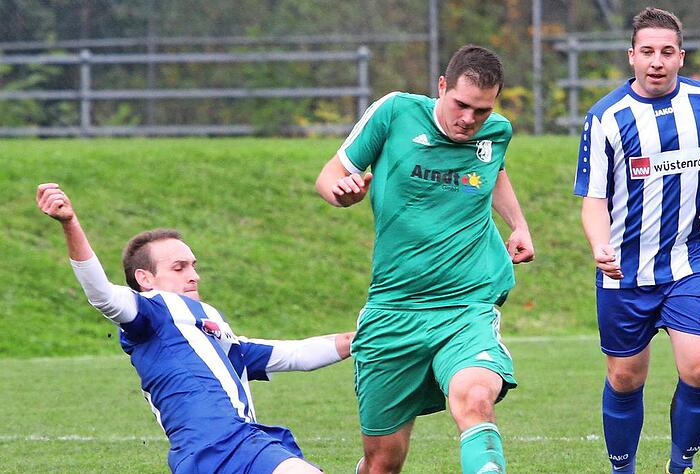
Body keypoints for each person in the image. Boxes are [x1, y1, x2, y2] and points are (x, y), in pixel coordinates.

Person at [316, 45, 534, 474]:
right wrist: (344, 194)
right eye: (461, 105)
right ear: (441, 87)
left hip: (465, 306)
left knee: (475, 399)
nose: (469, 120)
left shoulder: (496, 133)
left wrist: (519, 225)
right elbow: (329, 175)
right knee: (383, 462)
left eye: (482, 111)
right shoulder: (395, 113)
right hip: (393, 311)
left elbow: (493, 171)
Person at [36, 182, 355, 474]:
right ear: (145, 280)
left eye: (193, 266)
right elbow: (101, 295)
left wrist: (359, 340)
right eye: (179, 267)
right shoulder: (152, 312)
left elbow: (296, 354)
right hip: (224, 445)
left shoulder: (216, 335)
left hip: (220, 451)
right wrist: (70, 224)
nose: (194, 275)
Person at [573, 7, 700, 474]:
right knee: (625, 378)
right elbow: (593, 199)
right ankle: (622, 469)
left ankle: (679, 467)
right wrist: (598, 244)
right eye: (647, 51)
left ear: (681, 57)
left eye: (667, 52)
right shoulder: (606, 117)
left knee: (699, 369)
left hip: (691, 260)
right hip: (625, 270)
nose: (657, 61)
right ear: (632, 56)